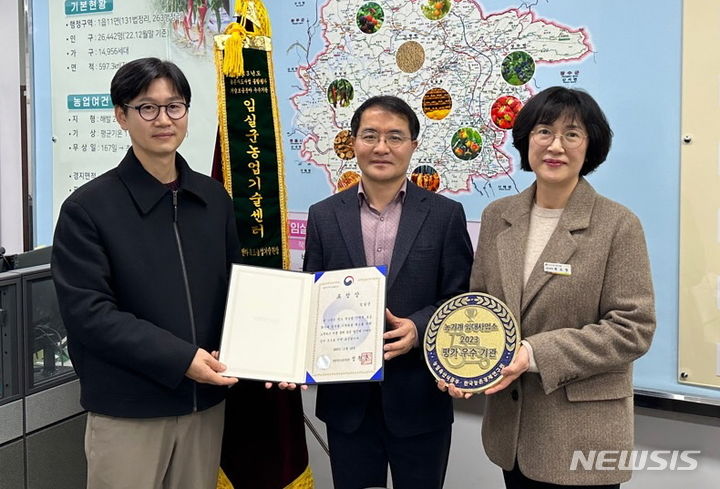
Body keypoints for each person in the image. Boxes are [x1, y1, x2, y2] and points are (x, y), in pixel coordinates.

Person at [440, 86, 656, 488]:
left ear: (590, 147)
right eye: (544, 131)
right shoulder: (498, 216)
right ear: (526, 141)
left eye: (571, 134)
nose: (555, 145)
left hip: (581, 439)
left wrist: (533, 353)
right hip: (513, 435)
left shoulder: (618, 225)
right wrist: (460, 363)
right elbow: (480, 311)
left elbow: (633, 329)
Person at [51, 57, 239, 489]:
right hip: (129, 410)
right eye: (146, 108)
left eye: (175, 106)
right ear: (121, 115)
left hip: (204, 407)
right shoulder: (88, 208)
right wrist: (182, 359)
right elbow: (90, 315)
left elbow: (236, 290)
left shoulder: (213, 199)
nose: (163, 119)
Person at [302, 95, 474, 489]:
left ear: (413, 145)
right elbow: (312, 300)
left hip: (419, 399)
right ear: (352, 142)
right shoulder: (323, 215)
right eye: (370, 135)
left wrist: (418, 328)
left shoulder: (445, 215)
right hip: (347, 404)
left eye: (395, 137)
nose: (382, 147)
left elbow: (460, 297)